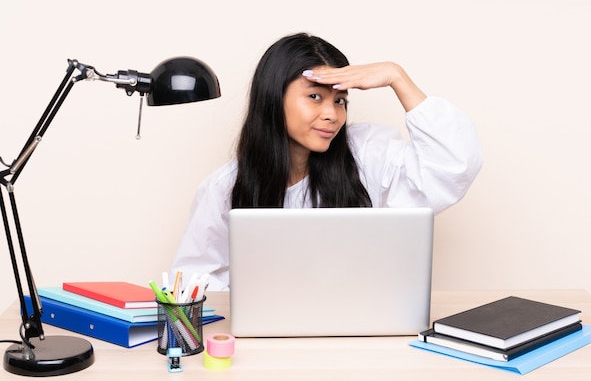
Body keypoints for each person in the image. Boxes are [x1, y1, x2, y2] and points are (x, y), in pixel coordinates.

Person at [171, 32, 483, 290]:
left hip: (357, 332)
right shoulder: (224, 187)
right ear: (273, 98)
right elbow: (193, 280)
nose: (332, 114)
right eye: (315, 97)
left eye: (340, 101)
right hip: (266, 344)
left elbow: (453, 165)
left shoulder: (366, 155)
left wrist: (396, 77)